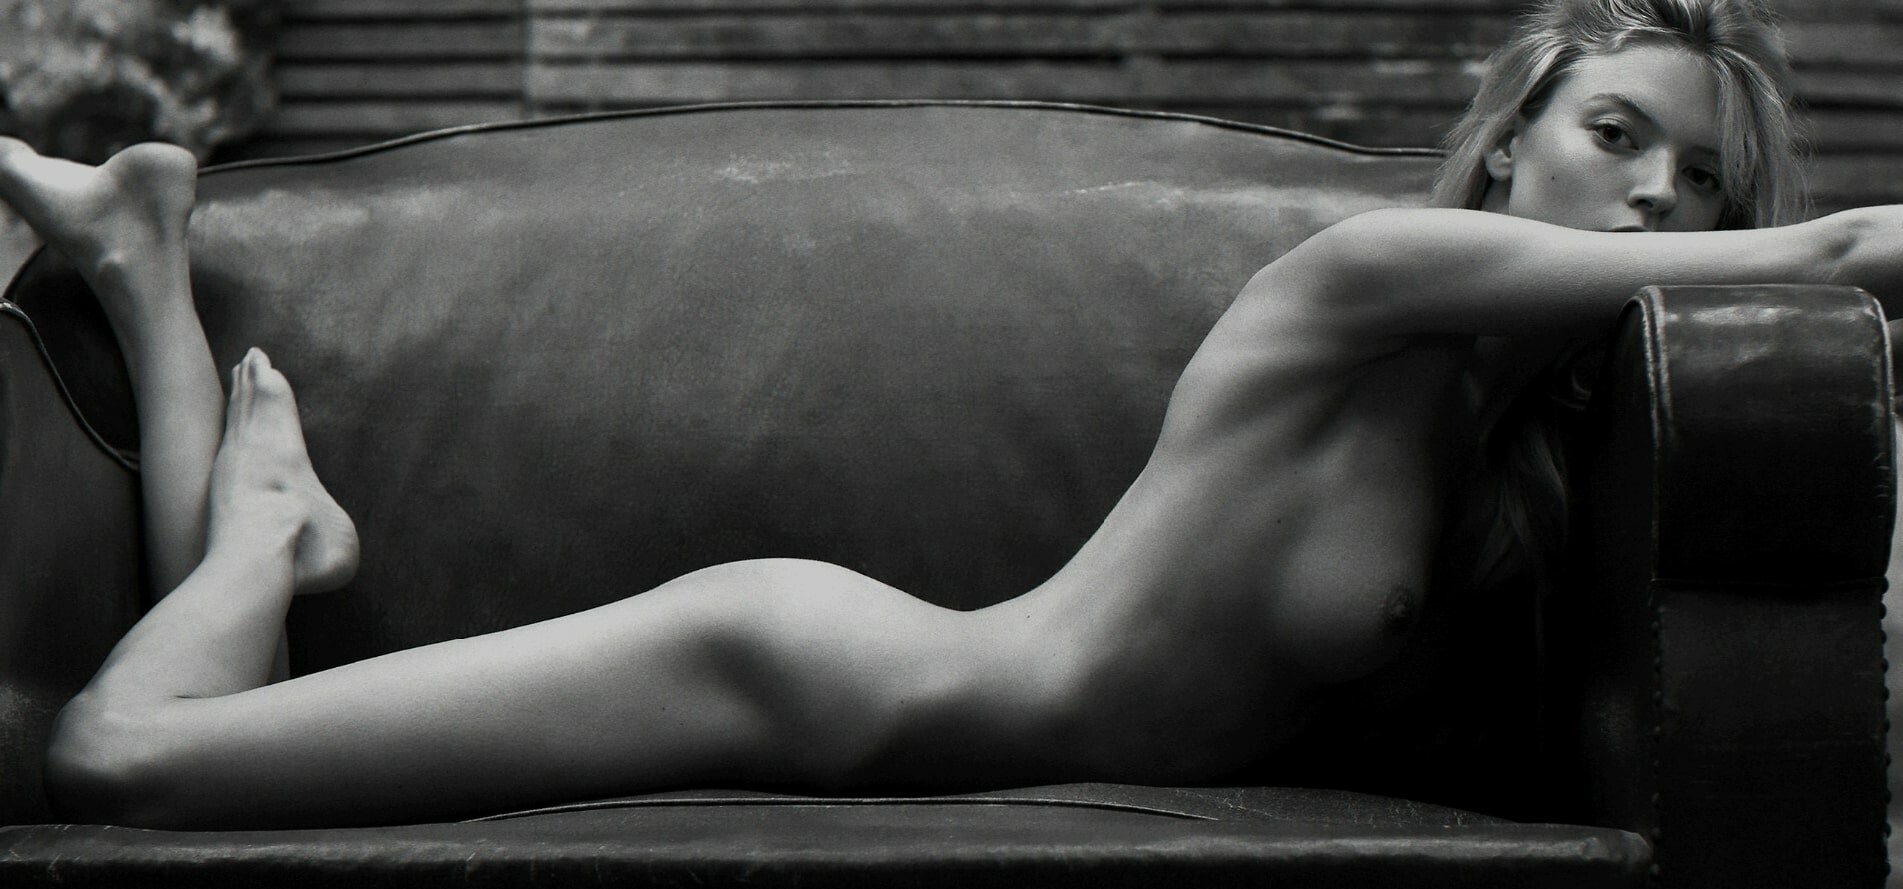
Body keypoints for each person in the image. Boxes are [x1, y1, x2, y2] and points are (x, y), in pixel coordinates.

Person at [9, 0, 1901, 830]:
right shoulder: (1374, 274)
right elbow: (1832, 251)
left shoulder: (1524, 427)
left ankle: (149, 272)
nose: (1659, 201)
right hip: (799, 675)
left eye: (1700, 180)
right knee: (116, 759)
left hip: (877, 713)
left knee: (218, 763)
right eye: (1617, 134)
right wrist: (1821, 240)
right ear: (1507, 147)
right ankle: (269, 527)